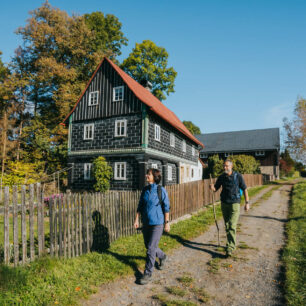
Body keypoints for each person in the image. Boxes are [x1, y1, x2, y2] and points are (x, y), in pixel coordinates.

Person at [134, 168, 170, 285]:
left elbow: (166, 207)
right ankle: (162, 256)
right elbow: (140, 205)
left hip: (157, 223)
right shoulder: (145, 190)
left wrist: (167, 223)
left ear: (155, 177)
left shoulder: (161, 190)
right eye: (147, 174)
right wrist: (136, 220)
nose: (146, 176)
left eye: (148, 174)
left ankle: (148, 273)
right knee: (148, 246)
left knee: (150, 248)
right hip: (146, 223)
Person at [210, 159, 249, 257]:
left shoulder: (238, 176)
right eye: (224, 166)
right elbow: (216, 189)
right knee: (227, 225)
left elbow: (245, 189)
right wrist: (212, 187)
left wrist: (247, 202)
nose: (225, 168)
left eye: (227, 166)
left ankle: (230, 247)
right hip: (224, 203)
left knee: (232, 225)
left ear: (231, 166)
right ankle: (230, 244)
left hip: (235, 204)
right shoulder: (222, 177)